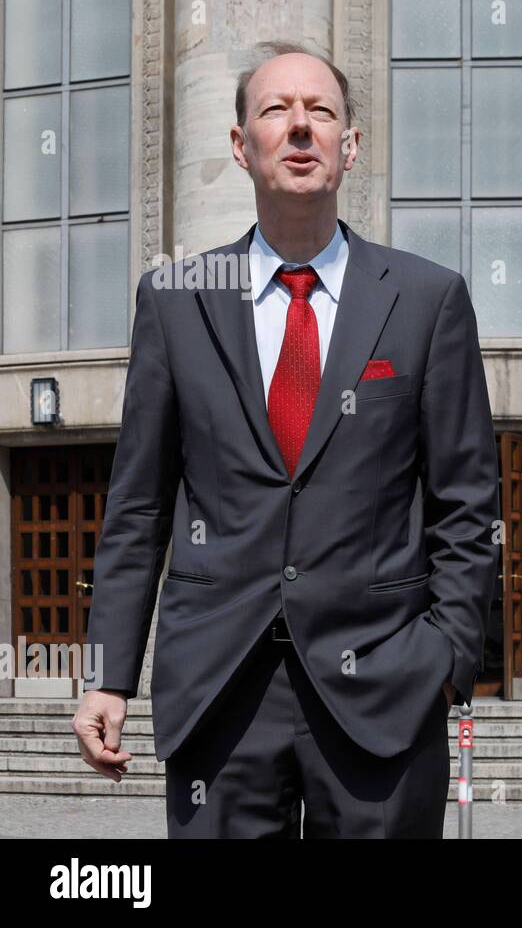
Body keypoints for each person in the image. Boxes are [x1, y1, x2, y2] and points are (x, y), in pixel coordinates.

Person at [72, 42, 499, 837]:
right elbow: (137, 505)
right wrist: (107, 675)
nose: (300, 128)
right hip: (221, 690)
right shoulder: (174, 301)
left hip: (384, 690)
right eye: (276, 111)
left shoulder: (427, 299)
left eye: (322, 112)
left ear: (351, 145)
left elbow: (467, 503)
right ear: (241, 145)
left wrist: (446, 656)